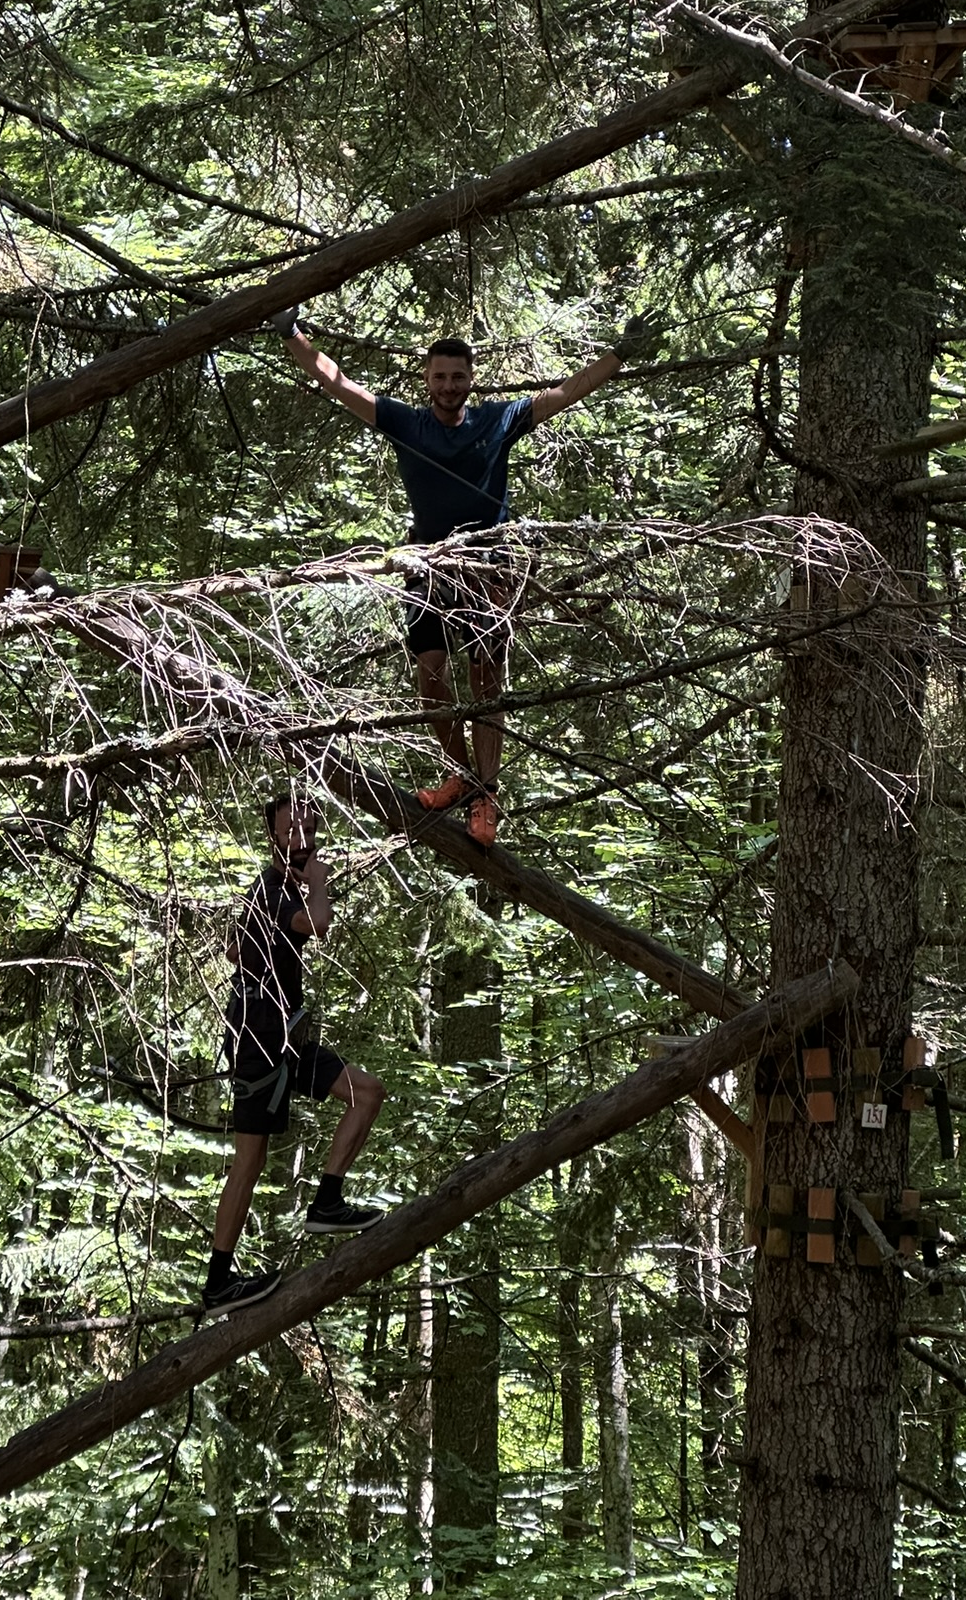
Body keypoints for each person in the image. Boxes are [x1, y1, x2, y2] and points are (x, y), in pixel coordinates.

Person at [269, 312, 662, 846]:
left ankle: (487, 797)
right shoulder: (407, 423)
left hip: (488, 566)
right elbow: (337, 382)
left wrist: (621, 353)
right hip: (428, 566)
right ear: (426, 380)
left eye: (457, 377)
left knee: (486, 683)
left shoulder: (497, 421)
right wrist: (292, 335)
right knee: (430, 678)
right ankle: (461, 775)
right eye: (439, 377)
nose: (448, 386)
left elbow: (567, 392)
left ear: (470, 378)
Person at [203, 794, 385, 1314]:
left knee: (366, 1093)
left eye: (309, 825)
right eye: (291, 828)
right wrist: (319, 883)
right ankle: (218, 1283)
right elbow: (318, 924)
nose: (302, 834)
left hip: (283, 1036)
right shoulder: (274, 885)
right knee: (250, 1160)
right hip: (257, 1038)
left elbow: (236, 949)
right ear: (275, 839)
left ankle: (327, 1201)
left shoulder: (274, 890)